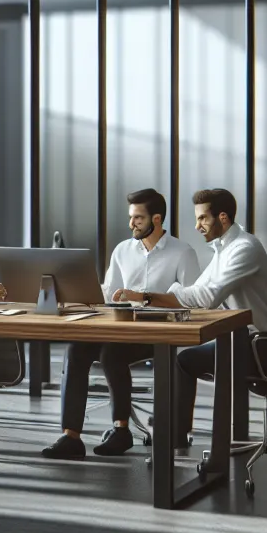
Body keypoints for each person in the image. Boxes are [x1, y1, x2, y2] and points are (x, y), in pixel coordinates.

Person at [114, 187, 267, 447]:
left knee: (184, 360)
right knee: (186, 357)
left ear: (223, 218)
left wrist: (146, 296)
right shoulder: (222, 251)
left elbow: (207, 298)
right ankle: (175, 435)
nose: (197, 226)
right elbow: (192, 292)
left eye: (203, 218)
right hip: (244, 340)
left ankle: (177, 438)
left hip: (265, 346)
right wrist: (145, 297)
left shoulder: (244, 248)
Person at [41, 188, 200, 460]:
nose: (131, 224)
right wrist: (77, 294)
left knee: (112, 353)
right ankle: (71, 436)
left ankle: (121, 430)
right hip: (119, 327)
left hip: (157, 333)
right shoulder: (123, 250)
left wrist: (150, 301)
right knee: (76, 349)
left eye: (138, 218)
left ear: (157, 219)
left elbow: (193, 299)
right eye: (131, 217)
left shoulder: (182, 252)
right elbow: (107, 292)